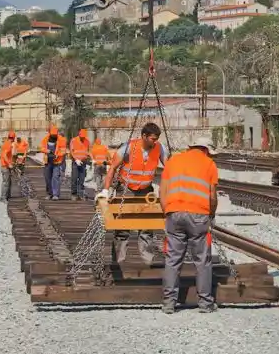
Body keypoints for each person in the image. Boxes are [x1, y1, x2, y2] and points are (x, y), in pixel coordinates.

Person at [158, 136, 219, 314]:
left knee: (173, 260)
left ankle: (169, 303)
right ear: (206, 150)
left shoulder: (173, 161)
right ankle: (205, 304)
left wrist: (167, 212)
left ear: (190, 147)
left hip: (174, 213)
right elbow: (212, 196)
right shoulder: (209, 164)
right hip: (199, 216)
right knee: (202, 261)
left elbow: (162, 190)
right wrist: (211, 214)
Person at [98, 122, 170, 263]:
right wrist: (106, 190)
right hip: (127, 189)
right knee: (122, 227)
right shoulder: (129, 147)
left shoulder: (159, 148)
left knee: (147, 226)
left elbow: (169, 169)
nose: (155, 142)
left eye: (156, 139)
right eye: (152, 139)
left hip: (146, 190)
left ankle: (147, 261)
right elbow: (112, 168)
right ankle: (118, 261)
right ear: (144, 136)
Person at [39, 126, 67, 200]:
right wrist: (47, 151)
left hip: (57, 162)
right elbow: (41, 148)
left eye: (55, 135)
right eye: (52, 135)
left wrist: (57, 155)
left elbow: (63, 151)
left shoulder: (61, 140)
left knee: (55, 177)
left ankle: (55, 194)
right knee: (47, 178)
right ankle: (49, 193)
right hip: (47, 161)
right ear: (50, 133)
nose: (54, 136)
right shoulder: (45, 139)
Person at [68, 129, 91, 200]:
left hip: (83, 162)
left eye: (84, 137)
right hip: (76, 162)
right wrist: (76, 159)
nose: (83, 138)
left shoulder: (87, 141)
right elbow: (72, 151)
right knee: (74, 178)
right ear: (79, 135)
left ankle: (80, 194)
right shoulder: (73, 140)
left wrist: (90, 160)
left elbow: (88, 151)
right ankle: (74, 194)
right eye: (82, 137)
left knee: (82, 178)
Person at [0, 131, 15, 201]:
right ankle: (3, 198)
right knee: (6, 182)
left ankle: (7, 196)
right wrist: (9, 164)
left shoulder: (6, 143)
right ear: (13, 138)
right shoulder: (8, 144)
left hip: (5, 166)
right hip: (5, 166)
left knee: (8, 181)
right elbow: (4, 155)